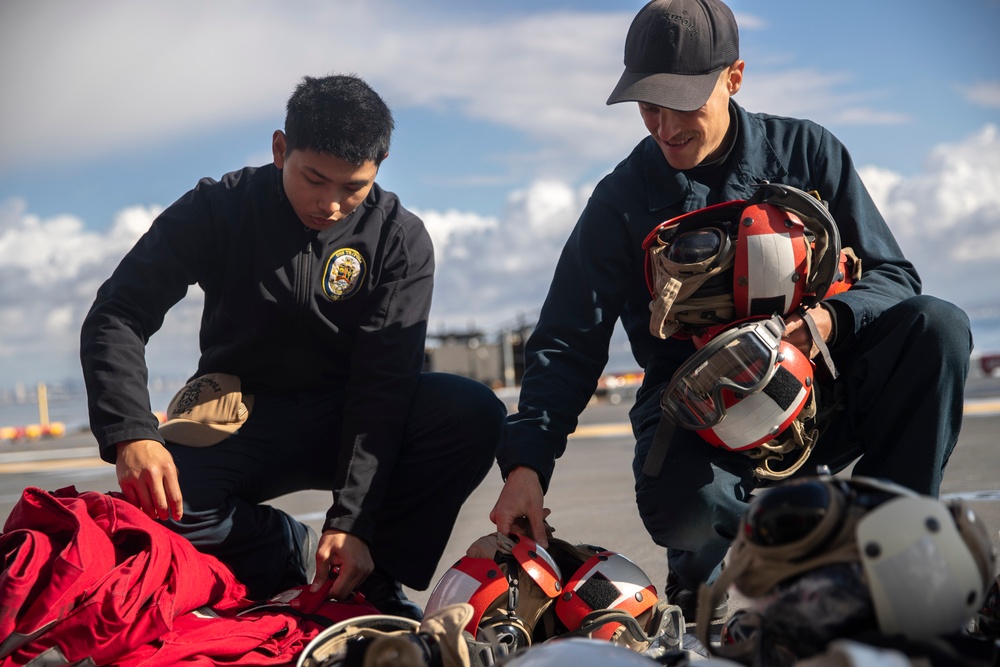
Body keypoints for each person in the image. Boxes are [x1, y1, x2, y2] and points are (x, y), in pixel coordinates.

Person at [490, 0, 971, 623]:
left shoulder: (808, 152)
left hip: (822, 387)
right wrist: (527, 464)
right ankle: (706, 573)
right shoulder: (621, 199)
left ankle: (892, 546)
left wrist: (826, 321)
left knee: (938, 327)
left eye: (682, 104)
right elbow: (566, 341)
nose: (664, 127)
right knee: (682, 511)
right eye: (648, 106)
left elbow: (895, 278)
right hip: (697, 409)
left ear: (734, 77)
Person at [80, 74, 506, 619]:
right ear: (281, 149)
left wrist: (352, 523)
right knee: (157, 511)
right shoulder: (219, 208)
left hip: (351, 414)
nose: (330, 204)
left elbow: (384, 387)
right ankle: (286, 549)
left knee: (471, 413)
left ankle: (371, 576)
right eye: (314, 179)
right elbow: (118, 312)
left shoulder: (399, 238)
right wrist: (130, 434)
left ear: (379, 168)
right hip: (243, 411)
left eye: (353, 188)